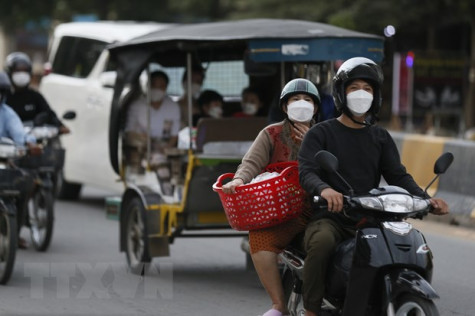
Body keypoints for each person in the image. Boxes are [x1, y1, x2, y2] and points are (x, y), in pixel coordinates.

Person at [297, 57, 449, 316]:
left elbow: (398, 176)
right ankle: (311, 310)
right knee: (321, 243)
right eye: (354, 88)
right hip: (332, 216)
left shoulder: (379, 136)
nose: (361, 94)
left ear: (376, 96)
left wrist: (426, 199)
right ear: (341, 94)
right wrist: (325, 190)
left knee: (408, 245)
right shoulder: (321, 133)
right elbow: (307, 172)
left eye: (367, 89)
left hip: (371, 217)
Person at [222, 78, 321, 316]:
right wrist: (238, 180)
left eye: (307, 100)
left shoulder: (325, 134)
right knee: (260, 241)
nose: (301, 104)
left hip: (320, 207)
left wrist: (311, 142)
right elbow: (251, 163)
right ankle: (279, 305)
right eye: (295, 99)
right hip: (283, 208)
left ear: (316, 108)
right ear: (285, 107)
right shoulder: (271, 133)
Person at [125, 70, 181, 195]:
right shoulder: (137, 106)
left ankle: (177, 191)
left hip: (166, 145)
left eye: (161, 86)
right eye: (154, 85)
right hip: (144, 147)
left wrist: (167, 147)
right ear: (148, 85)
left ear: (166, 87)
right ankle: (168, 193)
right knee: (159, 160)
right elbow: (129, 132)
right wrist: (145, 140)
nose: (157, 89)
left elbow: (175, 134)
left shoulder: (172, 106)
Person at [0, 71, 39, 249]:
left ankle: (14, 232)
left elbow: (20, 134)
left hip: (5, 162)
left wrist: (30, 144)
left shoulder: (7, 113)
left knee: (23, 186)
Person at [5, 52, 70, 133]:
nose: (21, 75)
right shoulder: (4, 96)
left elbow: (48, 113)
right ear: (9, 73)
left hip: (32, 137)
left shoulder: (34, 96)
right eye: (18, 71)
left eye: (25, 71)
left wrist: (60, 126)